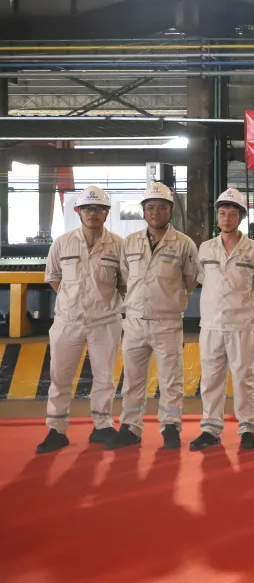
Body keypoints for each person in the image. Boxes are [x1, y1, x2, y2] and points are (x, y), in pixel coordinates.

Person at [107, 182, 199, 451]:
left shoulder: (184, 244)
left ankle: (170, 427)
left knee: (171, 380)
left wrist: (172, 301)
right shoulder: (130, 242)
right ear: (143, 211)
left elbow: (191, 279)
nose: (155, 212)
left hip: (167, 321)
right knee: (132, 379)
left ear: (170, 211)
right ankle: (130, 427)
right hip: (135, 322)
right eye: (150, 207)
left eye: (160, 207)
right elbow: (125, 278)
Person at [36, 186, 124, 454]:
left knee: (105, 377)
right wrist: (74, 300)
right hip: (68, 322)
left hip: (105, 321)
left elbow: (124, 283)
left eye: (98, 209)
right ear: (78, 211)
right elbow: (53, 277)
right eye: (87, 208)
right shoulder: (62, 243)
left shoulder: (118, 245)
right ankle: (57, 429)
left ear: (106, 212)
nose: (92, 213)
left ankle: (102, 425)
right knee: (60, 376)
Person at [189, 188, 254, 451]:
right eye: (222, 213)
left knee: (244, 378)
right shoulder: (205, 248)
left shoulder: (253, 249)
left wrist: (237, 302)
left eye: (233, 213)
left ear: (241, 217)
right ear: (217, 216)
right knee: (211, 379)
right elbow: (201, 280)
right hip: (211, 325)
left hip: (242, 325)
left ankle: (247, 429)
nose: (227, 218)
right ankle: (210, 429)